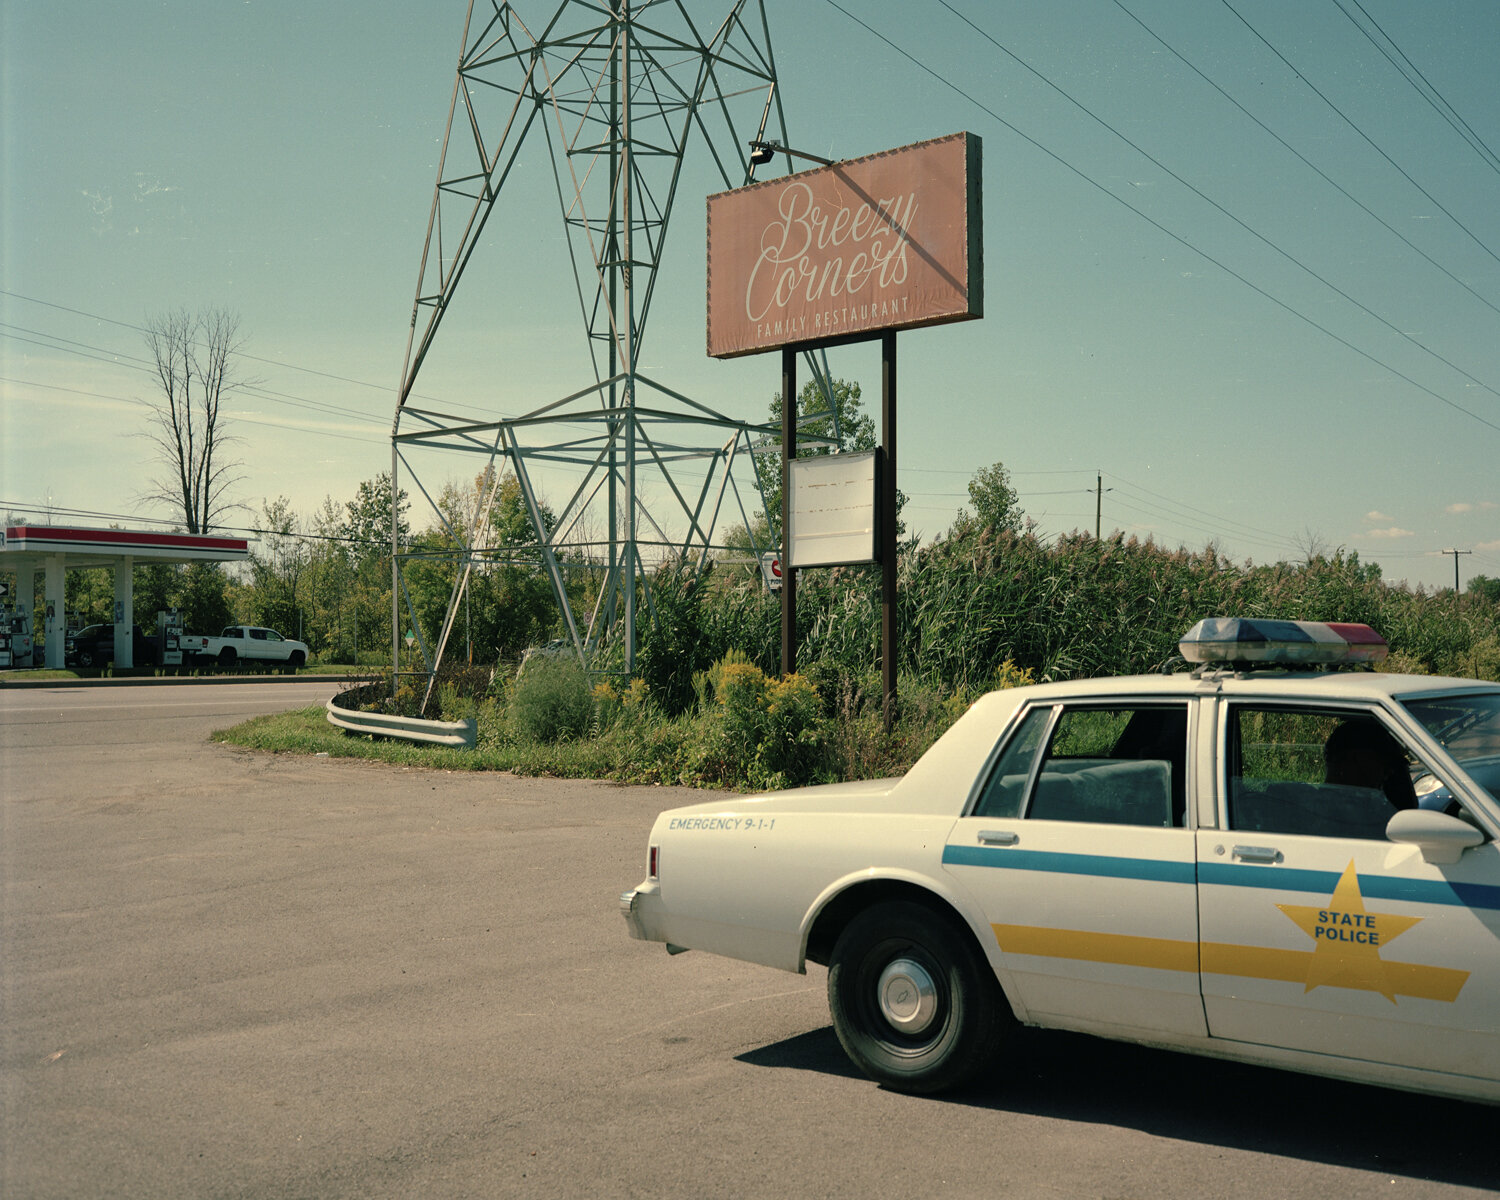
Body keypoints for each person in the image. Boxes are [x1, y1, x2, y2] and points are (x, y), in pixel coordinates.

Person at [1324, 717, 1418, 811]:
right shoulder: (1330, 810)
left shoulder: (1366, 806)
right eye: (1382, 761)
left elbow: (1407, 806)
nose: (1388, 773)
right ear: (1354, 758)